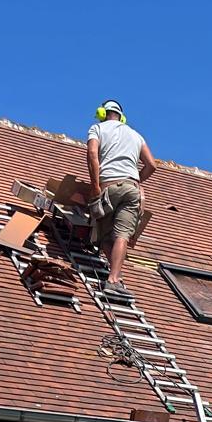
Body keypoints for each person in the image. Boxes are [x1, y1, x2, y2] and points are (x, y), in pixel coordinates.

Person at [86, 101, 156, 293]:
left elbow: (92, 154)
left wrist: (95, 186)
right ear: (121, 117)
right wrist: (136, 180)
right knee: (122, 235)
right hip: (132, 190)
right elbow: (151, 165)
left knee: (104, 237)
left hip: (109, 188)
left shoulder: (97, 128)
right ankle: (114, 279)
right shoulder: (136, 135)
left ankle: (113, 277)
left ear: (102, 113)